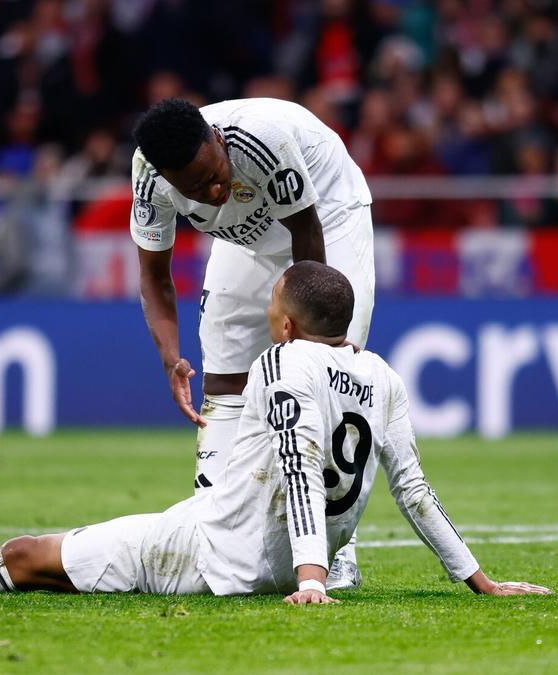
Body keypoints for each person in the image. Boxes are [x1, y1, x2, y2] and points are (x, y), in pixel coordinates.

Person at [0, 262, 550, 604]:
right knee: (38, 558)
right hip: (257, 550)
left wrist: (309, 577)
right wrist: (475, 577)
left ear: (283, 321)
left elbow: (300, 463)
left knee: (26, 558)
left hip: (215, 552)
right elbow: (413, 488)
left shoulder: (282, 365)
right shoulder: (381, 375)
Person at [129, 97, 375, 590]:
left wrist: (302, 343)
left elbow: (307, 237)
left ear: (216, 140)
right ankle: (212, 521)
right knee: (220, 369)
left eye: (214, 174)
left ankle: (337, 548)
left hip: (327, 214)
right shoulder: (149, 179)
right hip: (246, 235)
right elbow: (155, 278)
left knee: (326, 368)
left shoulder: (263, 139)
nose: (214, 189)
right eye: (196, 189)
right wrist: (172, 358)